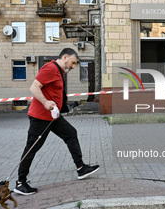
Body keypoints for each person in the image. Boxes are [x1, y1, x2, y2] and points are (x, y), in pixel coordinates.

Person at [14, 48, 100, 195]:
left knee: (71, 133)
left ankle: (81, 168)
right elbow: (34, 87)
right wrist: (46, 102)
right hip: (40, 117)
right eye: (73, 63)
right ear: (65, 57)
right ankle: (20, 182)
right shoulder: (50, 68)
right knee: (32, 147)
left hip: (53, 117)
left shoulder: (59, 71)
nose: (73, 66)